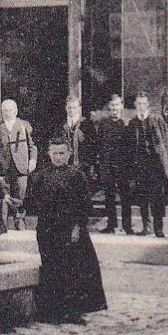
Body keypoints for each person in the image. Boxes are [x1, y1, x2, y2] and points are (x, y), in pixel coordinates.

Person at [27, 137, 107, 323]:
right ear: (48, 154)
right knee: (50, 267)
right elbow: (34, 202)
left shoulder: (76, 175)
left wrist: (77, 228)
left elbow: (83, 204)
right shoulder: (41, 176)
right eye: (54, 153)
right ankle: (51, 311)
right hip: (47, 229)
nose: (58, 157)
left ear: (69, 154)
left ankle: (72, 311)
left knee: (71, 269)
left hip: (70, 228)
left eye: (62, 153)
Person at [126, 93, 168, 238]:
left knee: (157, 197)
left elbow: (167, 140)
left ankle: (159, 228)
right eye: (138, 103)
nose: (141, 106)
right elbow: (130, 145)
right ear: (135, 105)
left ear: (148, 105)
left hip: (155, 165)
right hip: (140, 165)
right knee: (143, 197)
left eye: (144, 103)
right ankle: (147, 227)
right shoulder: (133, 123)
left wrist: (163, 156)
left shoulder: (157, 119)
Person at [0, 98, 37, 229]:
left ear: (16, 111)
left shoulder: (24, 125)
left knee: (20, 193)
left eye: (10, 110)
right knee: (4, 193)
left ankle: (19, 219)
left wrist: (32, 161)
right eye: (5, 110)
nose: (8, 112)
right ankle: (2, 221)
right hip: (3, 167)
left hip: (21, 167)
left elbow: (32, 146)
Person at [88, 94, 130, 233]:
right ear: (109, 107)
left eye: (117, 105)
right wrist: (100, 165)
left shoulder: (127, 124)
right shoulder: (104, 125)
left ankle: (127, 226)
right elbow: (99, 145)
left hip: (124, 165)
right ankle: (112, 225)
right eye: (112, 105)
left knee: (125, 196)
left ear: (121, 106)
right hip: (108, 165)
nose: (115, 108)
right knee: (109, 196)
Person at [61, 94, 91, 174]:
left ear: (79, 108)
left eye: (74, 107)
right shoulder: (62, 125)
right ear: (66, 108)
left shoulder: (86, 124)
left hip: (83, 166)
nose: (71, 110)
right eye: (69, 107)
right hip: (65, 165)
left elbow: (92, 146)